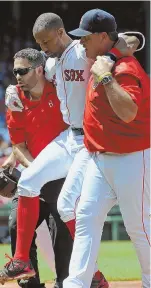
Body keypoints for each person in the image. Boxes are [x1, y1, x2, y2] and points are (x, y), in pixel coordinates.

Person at [0, 12, 140, 288]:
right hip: (69, 137)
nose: (43, 47)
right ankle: (21, 261)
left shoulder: (84, 51)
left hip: (93, 138)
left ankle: (95, 274)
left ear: (61, 32)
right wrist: (13, 89)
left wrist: (112, 55)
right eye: (38, 42)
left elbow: (131, 40)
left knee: (69, 208)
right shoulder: (51, 64)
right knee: (27, 183)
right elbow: (34, 83)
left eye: (46, 40)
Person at [59, 8, 150, 288]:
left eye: (86, 37)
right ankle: (77, 283)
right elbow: (128, 40)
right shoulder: (105, 57)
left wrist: (106, 76)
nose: (81, 42)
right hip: (100, 160)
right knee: (86, 218)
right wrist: (109, 57)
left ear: (101, 36)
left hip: (131, 159)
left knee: (139, 228)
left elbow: (128, 112)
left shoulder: (125, 69)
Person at [0, 48, 73, 288]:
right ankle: (28, 282)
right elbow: (18, 146)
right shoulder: (15, 100)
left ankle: (67, 282)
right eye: (15, 72)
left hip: (63, 178)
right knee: (15, 224)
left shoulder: (62, 91)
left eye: (22, 71)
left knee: (61, 233)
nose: (17, 77)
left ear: (40, 70)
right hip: (33, 176)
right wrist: (38, 170)